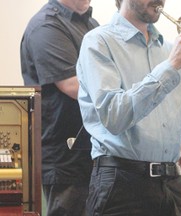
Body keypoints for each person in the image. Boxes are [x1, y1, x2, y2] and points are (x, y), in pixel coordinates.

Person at [77, 0, 181, 215]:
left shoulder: (169, 50)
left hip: (171, 185)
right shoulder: (98, 42)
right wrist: (171, 66)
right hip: (121, 183)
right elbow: (114, 116)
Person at [20, 0, 99, 215]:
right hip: (66, 160)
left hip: (92, 154)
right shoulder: (45, 25)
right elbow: (73, 86)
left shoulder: (91, 24)